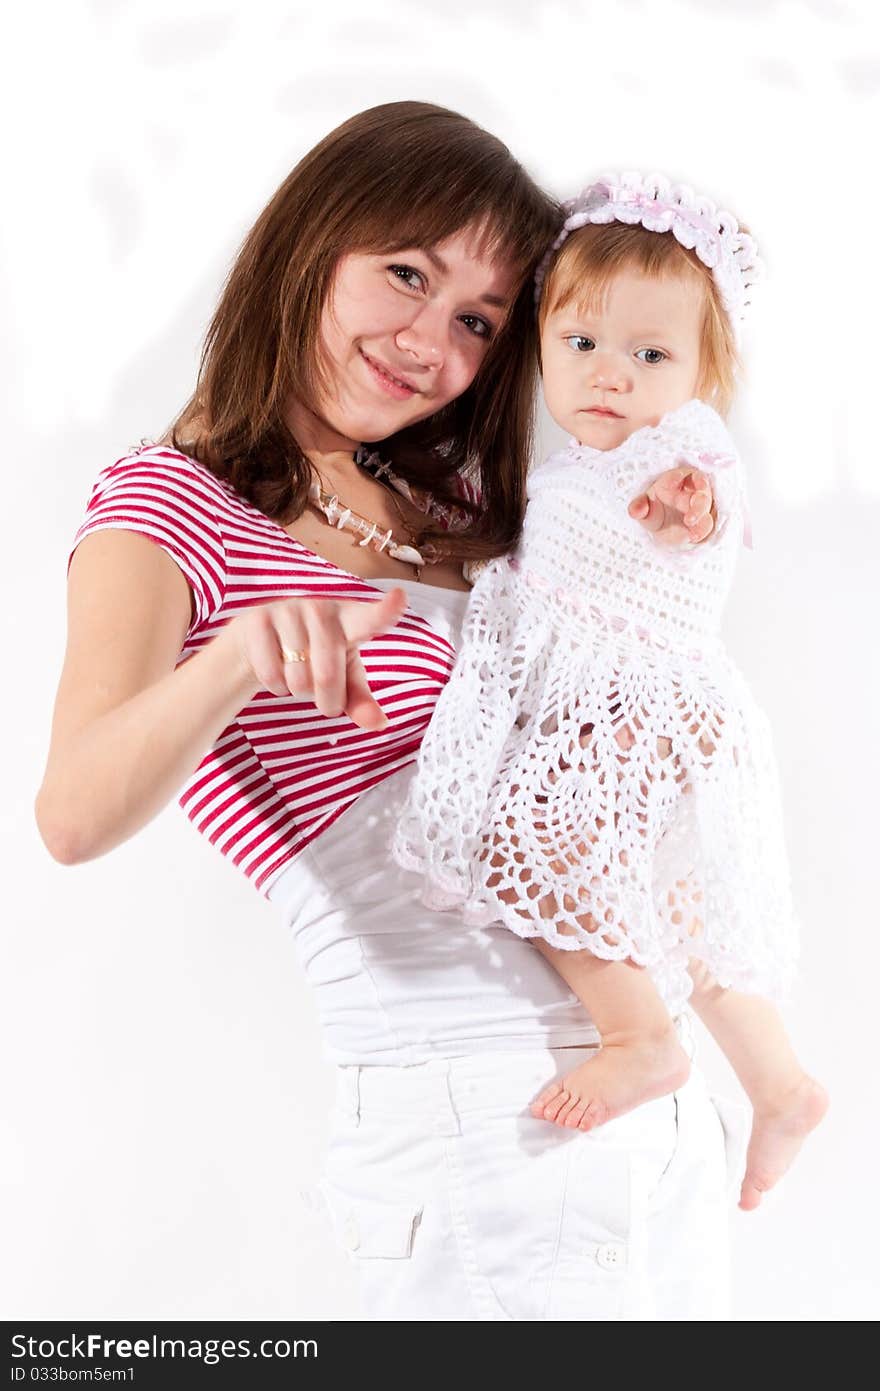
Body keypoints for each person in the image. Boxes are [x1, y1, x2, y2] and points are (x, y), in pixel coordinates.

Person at [37, 106, 738, 1321]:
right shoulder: (169, 502)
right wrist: (230, 663)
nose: (429, 341)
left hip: (655, 1113)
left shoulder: (454, 502)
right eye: (405, 273)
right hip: (488, 1127)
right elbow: (70, 815)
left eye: (476, 319)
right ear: (308, 245)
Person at [393, 171, 828, 1213]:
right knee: (675, 911)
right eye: (582, 344)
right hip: (625, 706)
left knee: (532, 838)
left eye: (650, 355)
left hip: (626, 707)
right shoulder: (572, 460)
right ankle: (781, 1082)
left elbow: (704, 510)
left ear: (702, 374)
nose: (609, 376)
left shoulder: (679, 451)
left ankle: (639, 1036)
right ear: (540, 339)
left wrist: (691, 506)